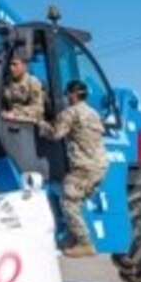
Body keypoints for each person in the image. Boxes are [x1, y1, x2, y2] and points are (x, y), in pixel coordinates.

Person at [40, 80, 106, 257]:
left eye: (67, 94)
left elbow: (55, 134)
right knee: (76, 203)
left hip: (83, 167)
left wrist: (39, 123)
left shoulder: (71, 113)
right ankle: (71, 237)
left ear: (73, 95)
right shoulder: (93, 113)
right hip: (100, 166)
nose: (66, 97)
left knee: (68, 203)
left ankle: (85, 243)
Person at [0, 50, 46, 125]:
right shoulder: (6, 84)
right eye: (10, 65)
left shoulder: (33, 82)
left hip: (31, 126)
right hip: (9, 124)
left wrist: (15, 114)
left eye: (15, 64)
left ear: (24, 66)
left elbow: (38, 109)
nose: (11, 68)